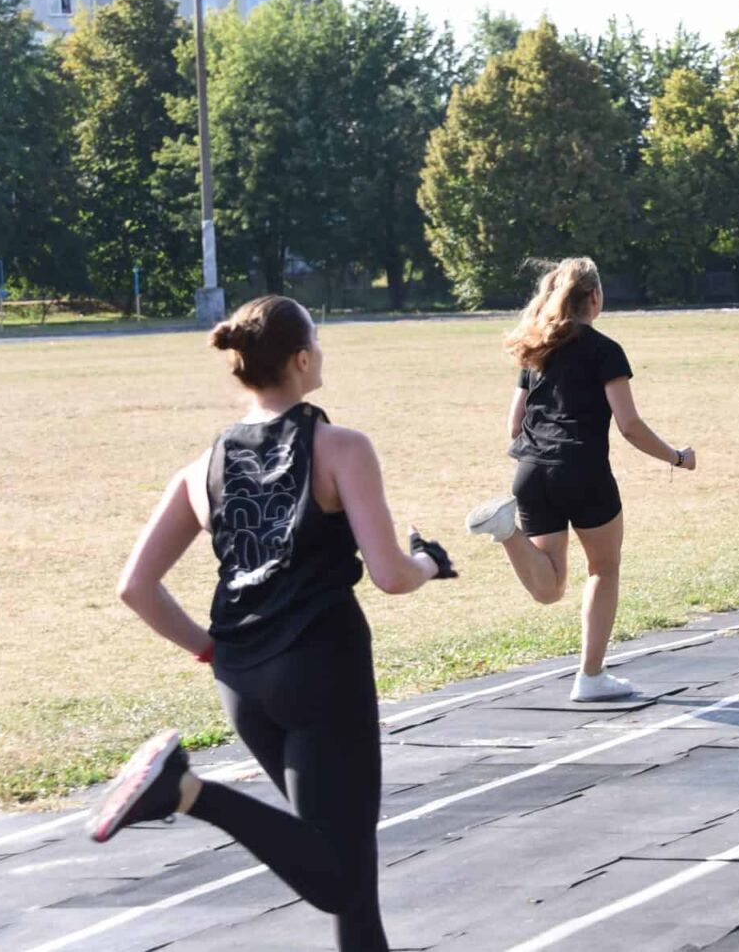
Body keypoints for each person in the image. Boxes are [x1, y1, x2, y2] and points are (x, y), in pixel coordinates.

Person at [91, 295, 456, 952]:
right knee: (341, 877)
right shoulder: (341, 446)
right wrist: (430, 560)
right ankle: (187, 791)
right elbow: (390, 574)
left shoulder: (201, 467)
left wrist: (211, 651)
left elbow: (135, 586)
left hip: (242, 679)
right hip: (322, 666)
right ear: (301, 358)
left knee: (349, 869)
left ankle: (187, 789)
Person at [464, 257, 695, 703]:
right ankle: (590, 677)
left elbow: (514, 424)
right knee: (603, 569)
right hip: (583, 471)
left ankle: (507, 530)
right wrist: (677, 457)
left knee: (549, 588)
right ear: (594, 297)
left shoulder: (536, 350)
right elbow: (629, 425)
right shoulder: (605, 350)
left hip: (530, 472)